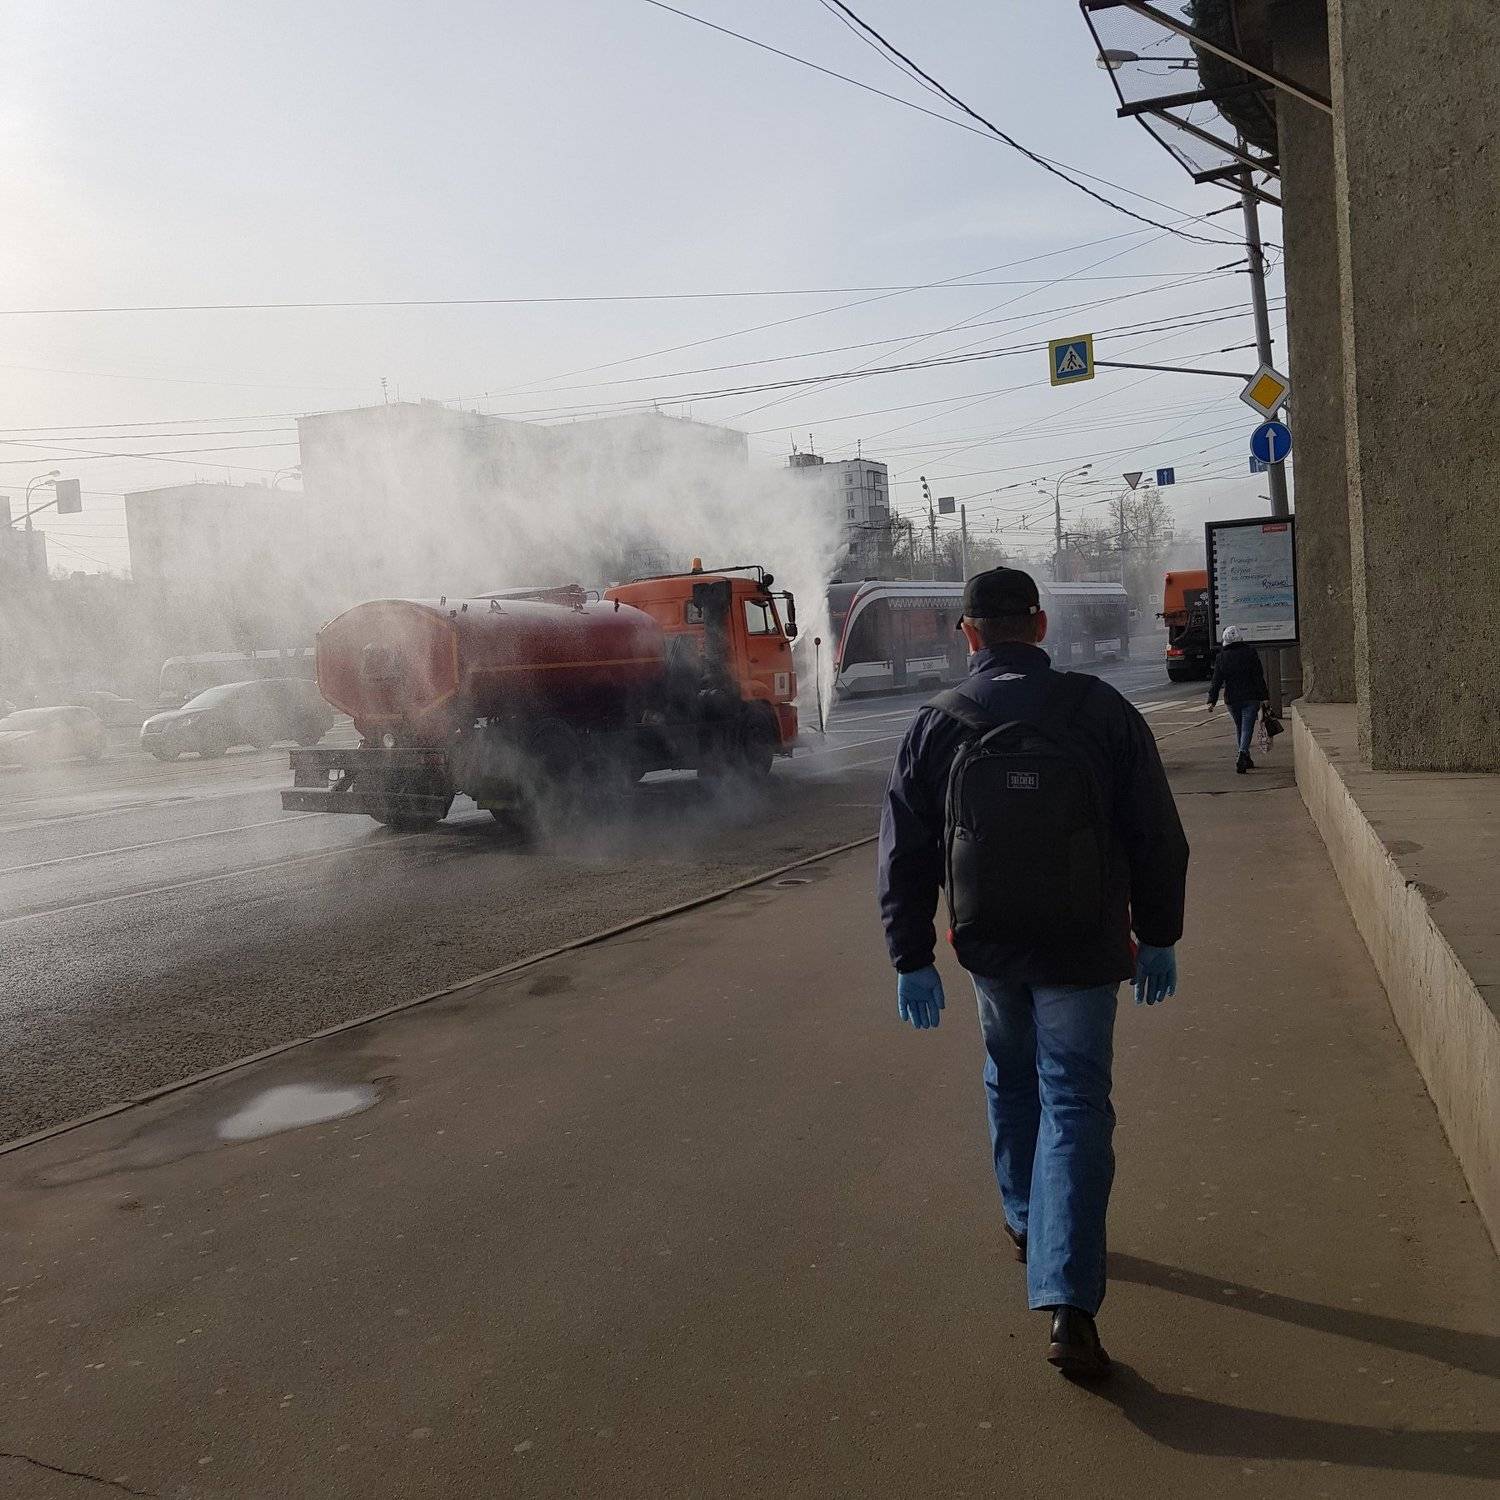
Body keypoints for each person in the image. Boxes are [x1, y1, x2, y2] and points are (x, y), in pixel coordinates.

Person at [877, 567, 1189, 1379]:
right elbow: (1156, 832)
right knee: (1075, 1101)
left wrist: (911, 957)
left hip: (988, 947)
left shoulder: (937, 723)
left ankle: (1025, 1219)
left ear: (968, 634)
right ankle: (1069, 1303)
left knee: (1010, 1077)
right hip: (1085, 946)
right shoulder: (1101, 710)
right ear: (1040, 626)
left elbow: (905, 853)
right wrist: (1158, 935)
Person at [1206, 625, 1270, 774]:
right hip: (1251, 697)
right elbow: (1258, 676)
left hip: (1232, 699)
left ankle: (1246, 757)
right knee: (1247, 728)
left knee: (1240, 727)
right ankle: (1242, 753)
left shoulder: (1221, 657)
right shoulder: (1250, 653)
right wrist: (1265, 696)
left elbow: (1216, 681)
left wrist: (1212, 700)